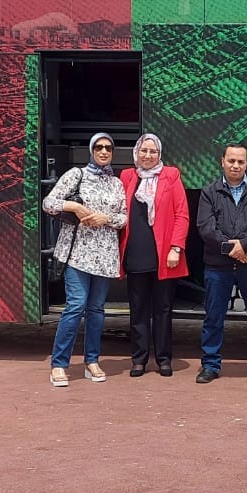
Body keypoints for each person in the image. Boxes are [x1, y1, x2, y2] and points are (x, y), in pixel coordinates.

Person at [42, 133, 127, 387]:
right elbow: (48, 203)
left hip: (104, 256)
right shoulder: (76, 175)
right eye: (99, 147)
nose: (104, 151)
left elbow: (124, 217)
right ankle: (59, 364)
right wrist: (74, 207)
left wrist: (106, 219)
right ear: (91, 150)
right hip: (78, 254)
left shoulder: (116, 183)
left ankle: (92, 361)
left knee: (97, 310)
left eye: (108, 147)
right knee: (75, 306)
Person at [195, 142, 247, 385]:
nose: (236, 165)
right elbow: (206, 228)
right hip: (217, 266)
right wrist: (233, 250)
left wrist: (244, 245)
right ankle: (210, 365)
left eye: (241, 161)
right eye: (231, 160)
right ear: (222, 161)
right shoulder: (209, 192)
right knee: (213, 317)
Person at [119, 133, 189, 377]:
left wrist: (176, 247)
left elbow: (182, 215)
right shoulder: (127, 176)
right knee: (138, 309)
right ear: (136, 153)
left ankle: (164, 359)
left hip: (164, 255)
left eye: (153, 151)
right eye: (144, 151)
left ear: (159, 154)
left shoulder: (171, 175)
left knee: (163, 310)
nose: (148, 155)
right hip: (136, 252)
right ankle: (139, 359)